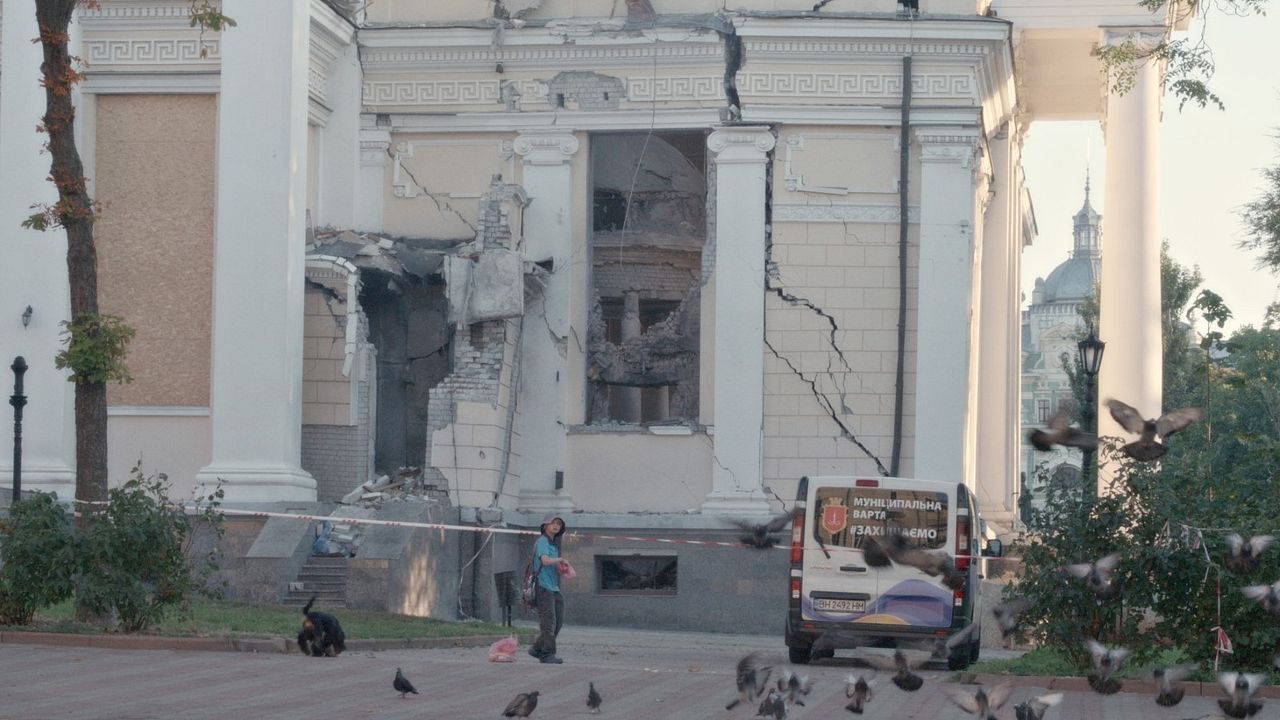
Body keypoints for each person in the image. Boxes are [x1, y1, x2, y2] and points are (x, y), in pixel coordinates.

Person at [528, 513, 568, 664]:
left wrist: (563, 567)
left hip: (553, 587)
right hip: (543, 586)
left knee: (559, 621)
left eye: (559, 523)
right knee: (548, 622)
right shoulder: (543, 541)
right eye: (553, 523)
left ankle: (537, 648)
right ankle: (546, 654)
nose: (556, 525)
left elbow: (554, 566)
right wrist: (560, 559)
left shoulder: (553, 544)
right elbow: (544, 561)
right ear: (545, 526)